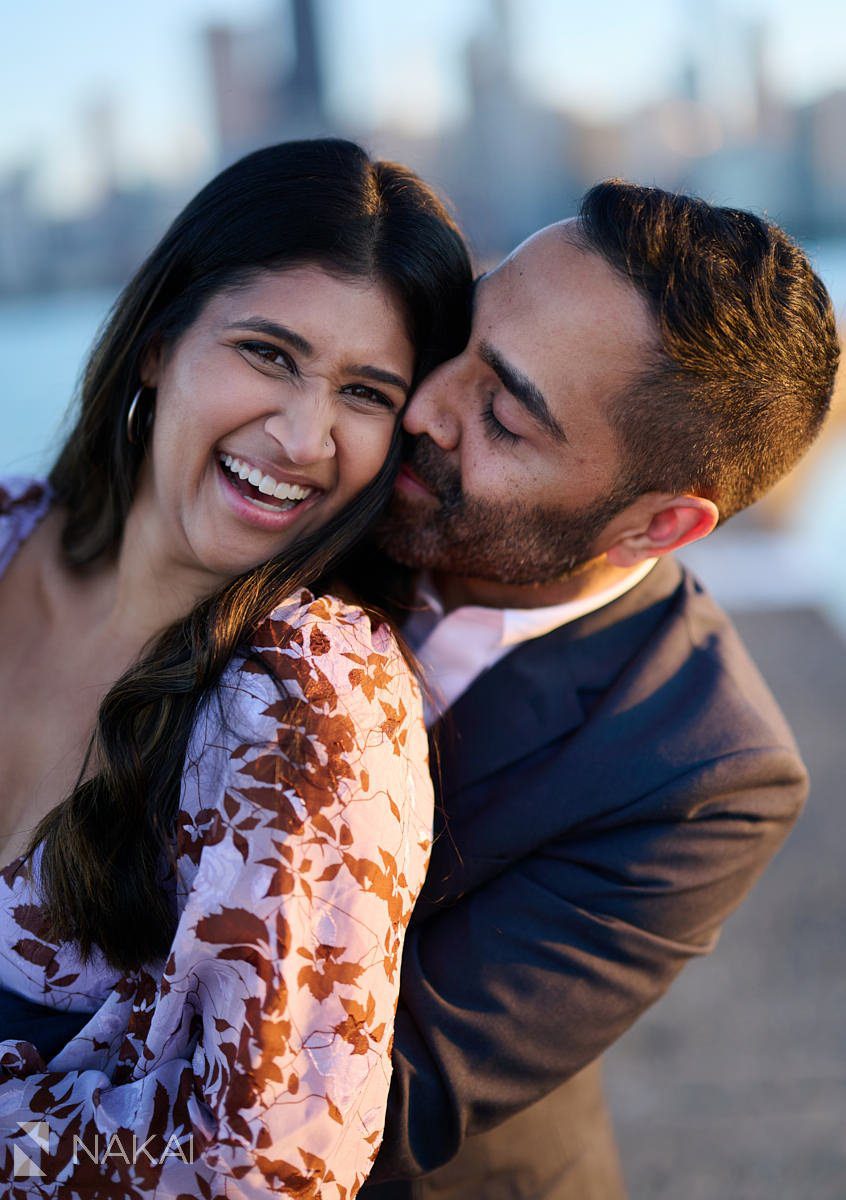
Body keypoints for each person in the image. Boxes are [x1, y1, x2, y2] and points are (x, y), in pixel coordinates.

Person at [0, 138, 472, 1197]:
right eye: (267, 353)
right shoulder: (7, 525)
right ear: (159, 340)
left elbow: (262, 1167)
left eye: (364, 391)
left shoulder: (316, 701)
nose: (304, 436)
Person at [359, 182, 841, 1198]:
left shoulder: (707, 774)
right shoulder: (342, 470)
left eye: (501, 414)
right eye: (463, 334)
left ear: (655, 528)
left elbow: (387, 1095)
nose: (421, 406)